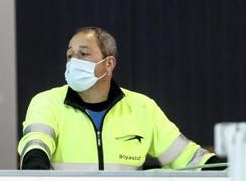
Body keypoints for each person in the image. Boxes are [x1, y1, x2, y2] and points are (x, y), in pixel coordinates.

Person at [18, 26, 224, 171]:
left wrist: (228, 172)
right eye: (70, 55)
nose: (73, 62)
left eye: (84, 54)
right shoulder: (46, 102)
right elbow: (36, 146)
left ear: (109, 64)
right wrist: (34, 176)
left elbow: (186, 156)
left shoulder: (142, 107)